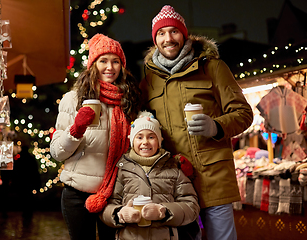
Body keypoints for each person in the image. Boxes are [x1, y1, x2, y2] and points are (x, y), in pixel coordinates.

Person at [139, 5, 254, 240]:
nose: (168, 38)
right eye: (161, 33)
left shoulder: (212, 67)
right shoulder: (148, 79)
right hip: (174, 183)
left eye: (174, 32)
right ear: (155, 40)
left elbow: (243, 113)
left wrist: (216, 126)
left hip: (214, 176)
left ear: (184, 34)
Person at [50, 33, 141, 240]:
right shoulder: (74, 99)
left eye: (116, 61)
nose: (110, 67)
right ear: (93, 64)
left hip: (116, 193)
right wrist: (75, 130)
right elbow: (56, 153)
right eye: (103, 61)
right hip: (77, 194)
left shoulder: (129, 100)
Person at [101, 111, 200, 239]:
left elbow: (191, 206)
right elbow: (106, 207)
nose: (145, 142)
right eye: (139, 137)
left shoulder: (173, 169)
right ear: (132, 141)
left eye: (151, 137)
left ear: (159, 141)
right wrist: (120, 213)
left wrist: (164, 212)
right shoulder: (122, 170)